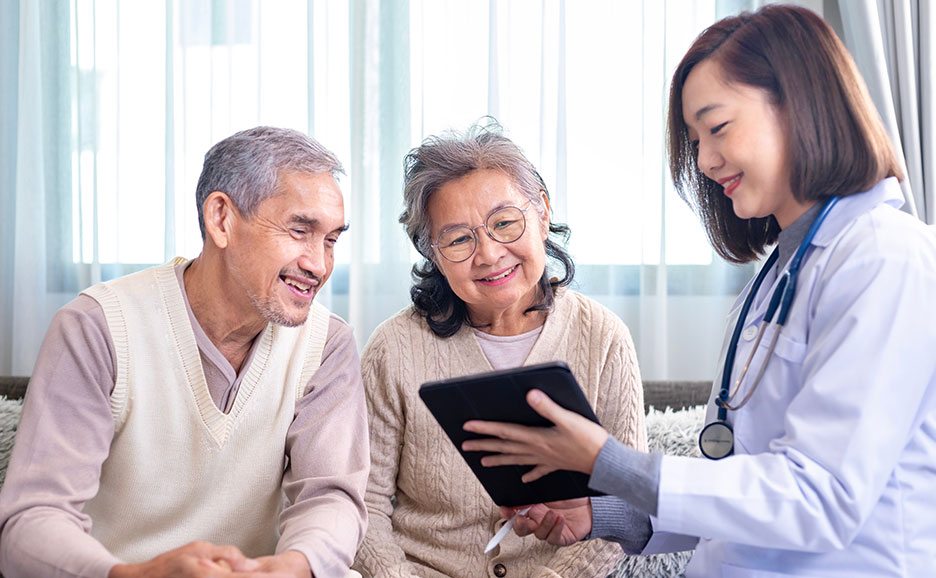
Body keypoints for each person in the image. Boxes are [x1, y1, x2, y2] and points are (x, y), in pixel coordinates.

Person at [461, 5, 936, 577]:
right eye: (695, 140)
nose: (705, 162)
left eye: (718, 128)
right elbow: (742, 483)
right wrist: (602, 512)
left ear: (800, 106)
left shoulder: (886, 258)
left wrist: (607, 461)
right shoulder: (776, 278)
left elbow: (819, 496)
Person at [0, 127, 369, 578]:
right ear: (221, 219)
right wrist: (135, 576)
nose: (319, 264)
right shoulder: (96, 326)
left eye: (330, 240)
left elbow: (330, 498)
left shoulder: (328, 344)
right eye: (299, 231)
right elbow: (31, 522)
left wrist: (293, 567)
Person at [351, 121, 647, 578]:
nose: (489, 254)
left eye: (505, 223)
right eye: (458, 239)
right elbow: (362, 503)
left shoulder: (603, 337)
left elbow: (625, 506)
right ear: (433, 254)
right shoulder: (393, 348)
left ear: (542, 213)